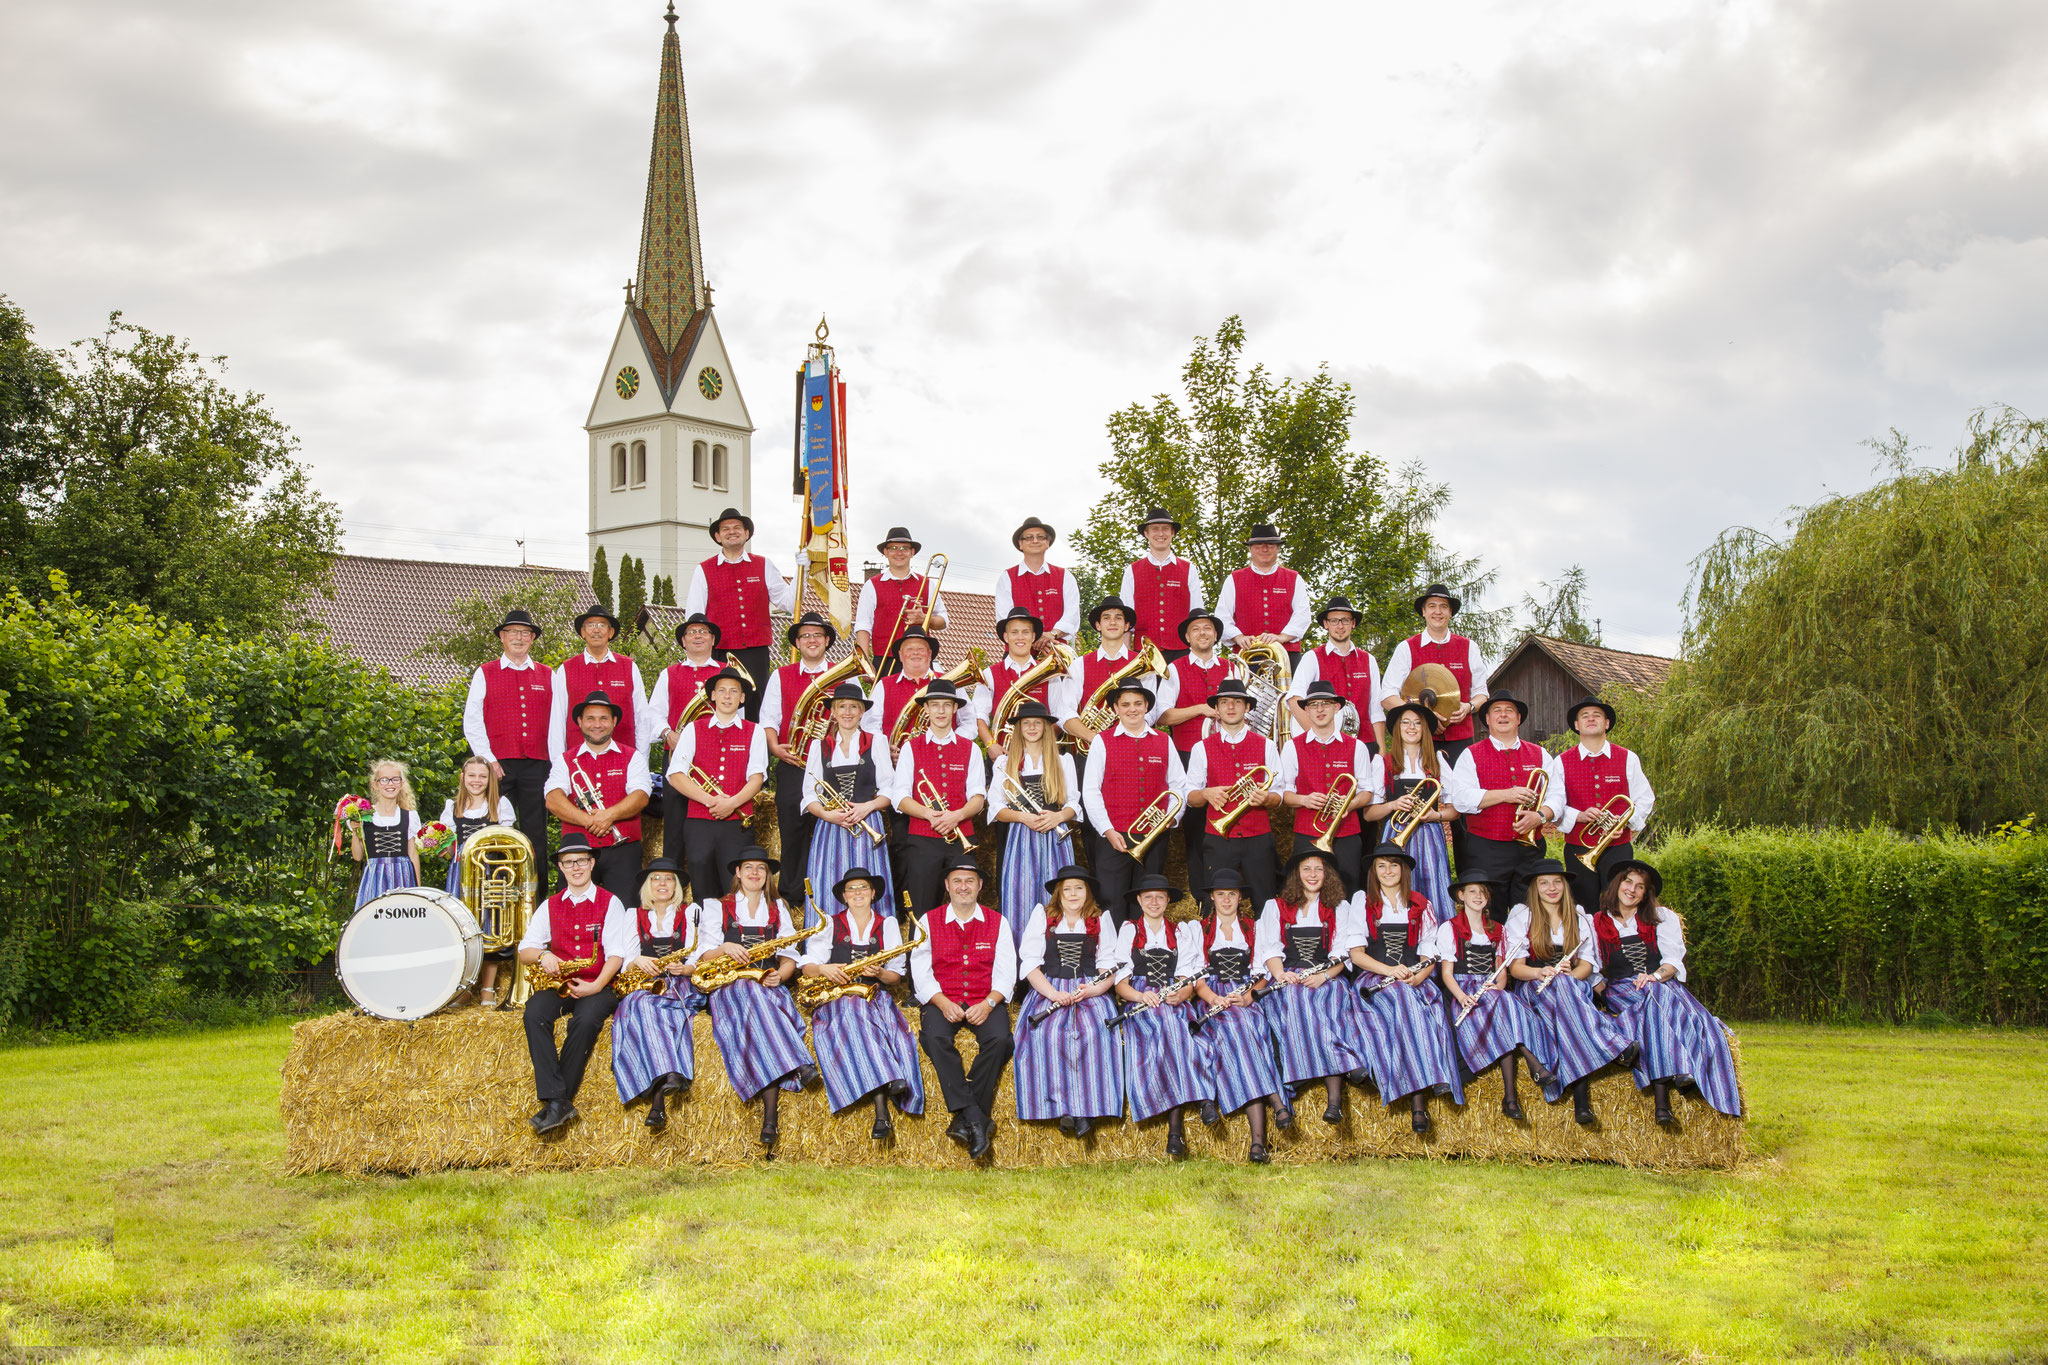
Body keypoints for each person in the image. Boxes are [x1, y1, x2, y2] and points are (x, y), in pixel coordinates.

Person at [689, 845, 818, 1150]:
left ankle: (770, 1121)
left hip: (767, 984)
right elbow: (702, 955)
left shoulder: (778, 908)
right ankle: (798, 1065)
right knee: (750, 992)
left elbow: (789, 956)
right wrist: (724, 948)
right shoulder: (716, 906)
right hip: (730, 986)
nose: (755, 873)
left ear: (768, 875)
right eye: (748, 867)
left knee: (759, 1012)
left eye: (761, 868)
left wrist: (781, 976)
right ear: (737, 872)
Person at [1593, 861, 1743, 1122]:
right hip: (1622, 989)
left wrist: (1654, 976)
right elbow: (1590, 965)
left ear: (1646, 893)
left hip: (1661, 984)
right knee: (1658, 1000)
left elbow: (1672, 962)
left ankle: (1662, 1104)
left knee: (1657, 999)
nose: (1632, 890)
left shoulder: (1661, 917)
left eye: (1640, 886)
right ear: (1617, 883)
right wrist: (1601, 987)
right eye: (1628, 882)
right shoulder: (1594, 921)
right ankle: (1680, 1070)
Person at [517, 833, 634, 1135]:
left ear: (592, 863)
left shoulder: (611, 902)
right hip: (562, 983)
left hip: (600, 983)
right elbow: (525, 950)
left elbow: (617, 955)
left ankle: (558, 1102)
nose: (576, 867)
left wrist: (596, 987)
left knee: (584, 1021)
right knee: (534, 1013)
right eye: (569, 862)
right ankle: (558, 1100)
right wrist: (543, 955)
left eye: (581, 861)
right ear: (561, 867)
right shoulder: (550, 905)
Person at [1503, 859, 1633, 1126]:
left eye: (1557, 882)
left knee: (1564, 996)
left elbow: (1586, 965)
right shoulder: (1522, 916)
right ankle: (1606, 1053)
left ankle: (1580, 1100)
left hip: (1571, 985)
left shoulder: (1579, 916)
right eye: (1544, 883)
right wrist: (1540, 972)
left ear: (1564, 886)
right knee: (1565, 997)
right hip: (1534, 985)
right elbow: (1516, 968)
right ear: (1535, 887)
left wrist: (1568, 976)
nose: (1551, 888)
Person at [1344, 842, 1462, 1133]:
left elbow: (1429, 953)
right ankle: (1426, 1089)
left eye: (1394, 865)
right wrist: (1390, 971)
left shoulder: (1421, 903)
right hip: (1376, 980)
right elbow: (1356, 955)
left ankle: (1420, 1095)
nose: (1388, 871)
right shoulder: (1362, 901)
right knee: (1404, 1000)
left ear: (1404, 870)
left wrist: (1419, 977)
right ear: (1374, 871)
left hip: (1413, 979)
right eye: (1381, 866)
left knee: (1418, 1001)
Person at [799, 866, 925, 1138]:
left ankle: (882, 1109)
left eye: (863, 888)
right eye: (852, 889)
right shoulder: (830, 923)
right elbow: (808, 965)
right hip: (838, 998)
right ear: (844, 896)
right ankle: (886, 1094)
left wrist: (879, 973)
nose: (858, 893)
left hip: (873, 996)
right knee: (854, 1010)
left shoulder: (887, 924)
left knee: (868, 1016)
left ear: (873, 893)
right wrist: (824, 969)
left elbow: (895, 976)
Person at [909, 856, 1018, 1160]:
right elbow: (920, 971)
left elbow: (1007, 972)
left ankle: (965, 1119)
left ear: (980, 885)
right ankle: (976, 1117)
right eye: (956, 881)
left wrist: (989, 1003)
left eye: (970, 881)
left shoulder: (998, 921)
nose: (963, 886)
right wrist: (942, 1001)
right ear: (947, 886)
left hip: (985, 997)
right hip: (943, 997)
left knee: (1001, 1041)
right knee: (934, 1038)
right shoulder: (928, 921)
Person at [1256, 848, 1371, 1124]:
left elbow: (1342, 952)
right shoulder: (1275, 906)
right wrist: (1281, 975)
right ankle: (1344, 1066)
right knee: (1297, 999)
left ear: (1327, 874)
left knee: (1327, 1000)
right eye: (1306, 869)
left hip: (1325, 975)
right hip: (1289, 976)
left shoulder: (1340, 907)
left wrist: (1324, 976)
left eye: (1319, 869)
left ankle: (1334, 1104)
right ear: (1297, 874)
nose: (1312, 874)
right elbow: (1270, 948)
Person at [1433, 873, 1557, 1120]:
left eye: (1483, 892)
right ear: (1461, 896)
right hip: (1464, 991)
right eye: (1472, 891)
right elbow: (1447, 974)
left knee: (1506, 1002)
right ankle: (1530, 1071)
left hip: (1490, 990)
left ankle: (1511, 1097)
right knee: (1503, 1014)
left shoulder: (1497, 929)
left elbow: (1500, 972)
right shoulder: (1450, 928)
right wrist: (1462, 997)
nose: (1478, 896)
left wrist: (1497, 988)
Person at [1011, 865, 1123, 1139]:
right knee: (1047, 1034)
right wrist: (1053, 994)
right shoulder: (1043, 916)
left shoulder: (1101, 919)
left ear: (1088, 892)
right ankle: (1062, 1108)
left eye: (1079, 888)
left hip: (1089, 988)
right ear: (1059, 894)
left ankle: (1086, 1110)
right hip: (1050, 988)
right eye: (1067, 889)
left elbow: (1109, 966)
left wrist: (1094, 990)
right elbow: (1030, 964)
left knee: (1094, 1032)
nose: (1073, 894)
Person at [1113, 875, 1218, 1159]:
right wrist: (1140, 996)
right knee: (1170, 1027)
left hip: (1172, 997)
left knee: (1180, 1028)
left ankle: (1177, 1130)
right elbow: (1120, 983)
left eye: (1160, 897)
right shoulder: (1129, 930)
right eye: (1148, 897)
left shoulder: (1180, 931)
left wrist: (1182, 994)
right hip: (1141, 999)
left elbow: (1187, 976)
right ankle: (1201, 1099)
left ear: (1168, 900)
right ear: (1139, 900)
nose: (1154, 902)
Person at [1189, 869, 1286, 1164]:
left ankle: (1259, 1141)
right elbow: (1198, 980)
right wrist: (1214, 999)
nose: (1227, 899)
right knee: (1236, 1028)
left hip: (1245, 995)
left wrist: (1248, 997)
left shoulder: (1254, 928)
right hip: (1214, 997)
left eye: (1232, 894)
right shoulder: (1199, 929)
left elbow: (1263, 973)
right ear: (1212, 897)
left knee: (1246, 1025)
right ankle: (1275, 1106)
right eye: (1221, 894)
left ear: (1240, 896)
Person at [1059, 595, 1159, 870]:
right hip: (1089, 751)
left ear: (1127, 625)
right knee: (1092, 823)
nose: (1112, 622)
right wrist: (1096, 738)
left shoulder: (1145, 663)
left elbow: (1151, 713)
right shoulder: (1080, 664)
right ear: (1098, 625)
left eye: (1118, 618)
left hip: (1134, 751)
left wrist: (1121, 738)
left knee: (1137, 812)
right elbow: (1065, 713)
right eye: (1106, 618)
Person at [1080, 678, 1188, 925]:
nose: (1132, 709)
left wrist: (1171, 819)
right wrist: (1107, 830)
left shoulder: (1164, 740)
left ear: (1146, 706)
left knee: (1148, 900)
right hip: (1114, 835)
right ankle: (1113, 947)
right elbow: (1091, 790)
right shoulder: (1102, 741)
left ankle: (1143, 945)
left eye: (1138, 703)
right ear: (1115, 708)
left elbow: (1179, 785)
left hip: (1154, 836)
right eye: (1125, 704)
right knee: (1111, 900)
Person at [1445, 690, 1563, 911]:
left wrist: (1539, 817)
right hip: (1486, 849)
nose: (1503, 715)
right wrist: (1507, 794)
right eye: (1496, 710)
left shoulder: (1540, 754)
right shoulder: (1470, 754)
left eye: (1509, 710)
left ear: (1518, 718)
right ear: (1487, 719)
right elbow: (1460, 799)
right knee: (1490, 914)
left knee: (1530, 913)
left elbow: (1557, 796)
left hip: (1530, 850)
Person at [665, 669, 767, 916]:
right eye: (722, 690)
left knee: (736, 887)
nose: (727, 696)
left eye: (734, 691)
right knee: (702, 885)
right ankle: (705, 936)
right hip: (699, 822)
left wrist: (732, 803)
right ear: (712, 695)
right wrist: (711, 801)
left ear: (742, 698)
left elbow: (757, 778)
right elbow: (675, 775)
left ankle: (736, 930)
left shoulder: (755, 731)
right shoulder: (693, 729)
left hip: (737, 824)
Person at [1184, 675, 1287, 915]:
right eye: (1224, 702)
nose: (1230, 707)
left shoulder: (1266, 745)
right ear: (1217, 709)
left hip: (1258, 837)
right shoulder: (1201, 748)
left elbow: (1279, 795)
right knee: (1215, 906)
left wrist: (1267, 798)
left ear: (1247, 707)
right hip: (1219, 839)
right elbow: (1190, 796)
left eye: (1237, 702)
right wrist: (1206, 793)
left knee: (1265, 903)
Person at [683, 507, 798, 721]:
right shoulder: (703, 569)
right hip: (719, 652)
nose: (732, 532)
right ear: (718, 536)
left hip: (756, 652)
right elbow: (694, 616)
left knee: (756, 707)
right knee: (719, 708)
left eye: (737, 527)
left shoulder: (764, 565)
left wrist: (802, 572)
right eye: (725, 529)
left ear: (746, 534)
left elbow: (788, 603)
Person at [609, 858, 699, 1130]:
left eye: (669, 878)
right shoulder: (633, 915)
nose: (662, 883)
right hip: (646, 983)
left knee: (647, 1008)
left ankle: (658, 1101)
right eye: (656, 878)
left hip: (679, 984)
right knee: (638, 1003)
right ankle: (670, 1075)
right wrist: (638, 961)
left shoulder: (691, 911)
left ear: (676, 885)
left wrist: (685, 968)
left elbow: (699, 954)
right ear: (647, 885)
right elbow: (626, 960)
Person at [887, 678, 987, 916]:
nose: (940, 711)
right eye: (935, 705)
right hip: (922, 840)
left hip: (961, 838)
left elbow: (978, 796)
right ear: (926, 709)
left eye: (946, 705)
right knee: (922, 907)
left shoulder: (971, 748)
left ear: (955, 708)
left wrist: (957, 816)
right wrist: (929, 814)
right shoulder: (911, 747)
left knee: (965, 906)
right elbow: (899, 796)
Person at [544, 689, 652, 908]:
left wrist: (608, 815)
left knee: (626, 911)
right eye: (590, 718)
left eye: (603, 718)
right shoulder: (565, 760)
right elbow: (553, 799)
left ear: (614, 722)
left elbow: (641, 796)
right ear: (580, 722)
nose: (597, 724)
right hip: (577, 853)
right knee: (571, 911)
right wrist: (589, 821)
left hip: (623, 851)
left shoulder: (633, 757)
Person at [802, 681, 898, 929]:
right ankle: (828, 937)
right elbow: (809, 795)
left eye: (853, 707)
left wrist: (867, 807)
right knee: (829, 879)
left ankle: (875, 937)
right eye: (841, 706)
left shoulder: (877, 741)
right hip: (831, 827)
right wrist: (827, 815)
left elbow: (889, 790)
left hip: (867, 823)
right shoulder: (818, 746)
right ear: (833, 712)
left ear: (862, 712)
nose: (847, 712)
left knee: (868, 877)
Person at [462, 608, 555, 860]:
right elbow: (472, 720)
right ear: (502, 636)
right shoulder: (485, 672)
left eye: (525, 632)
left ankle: (535, 885)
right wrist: (488, 760)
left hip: (537, 765)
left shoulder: (548, 674)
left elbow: (557, 722)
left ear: (532, 638)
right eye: (513, 632)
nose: (519, 637)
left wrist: (556, 762)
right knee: (493, 830)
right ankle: (494, 882)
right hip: (498, 765)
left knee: (536, 834)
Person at [1154, 608, 1233, 901]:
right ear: (1187, 637)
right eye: (1196, 629)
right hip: (1187, 754)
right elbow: (1162, 715)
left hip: (1227, 755)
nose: (1203, 633)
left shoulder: (1231, 667)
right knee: (1196, 830)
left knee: (1231, 824)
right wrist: (1200, 709)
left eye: (1208, 628)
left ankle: (1230, 894)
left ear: (1216, 635)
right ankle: (1202, 900)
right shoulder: (1174, 669)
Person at [987, 701, 1081, 941]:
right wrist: (1023, 817)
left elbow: (1074, 802)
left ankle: (1056, 953)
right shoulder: (1004, 763)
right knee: (1021, 894)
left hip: (1055, 834)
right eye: (1026, 723)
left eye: (1037, 723)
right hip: (1021, 835)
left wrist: (1058, 816)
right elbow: (995, 807)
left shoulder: (1063, 761)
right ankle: (1020, 956)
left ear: (1046, 727)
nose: (1031, 728)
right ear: (1018, 728)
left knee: (1056, 895)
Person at [759, 611, 838, 895]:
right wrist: (774, 747)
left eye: (817, 635)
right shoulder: (780, 676)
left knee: (829, 832)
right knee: (792, 830)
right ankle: (792, 896)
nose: (811, 640)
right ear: (797, 643)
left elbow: (859, 719)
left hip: (832, 766)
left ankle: (828, 892)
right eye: (805, 636)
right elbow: (768, 719)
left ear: (827, 640)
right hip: (793, 762)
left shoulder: (845, 675)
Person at [1556, 697, 1657, 914]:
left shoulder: (1628, 758)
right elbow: (1554, 805)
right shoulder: (1561, 761)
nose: (1591, 719)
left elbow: (1645, 798)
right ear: (1577, 725)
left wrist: (1624, 822)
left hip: (1617, 847)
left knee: (1620, 906)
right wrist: (1579, 815)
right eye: (1585, 716)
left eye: (1597, 715)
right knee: (1582, 908)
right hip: (1578, 847)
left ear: (1607, 723)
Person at [1279, 679, 1378, 897]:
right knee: (1305, 893)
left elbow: (1367, 791)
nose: (1320, 709)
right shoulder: (1292, 747)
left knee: (1348, 890)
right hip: (1307, 831)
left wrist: (1349, 804)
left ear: (1337, 707)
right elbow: (1283, 793)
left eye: (1325, 703)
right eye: (1314, 705)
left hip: (1347, 833)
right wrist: (1304, 800)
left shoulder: (1357, 746)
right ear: (1306, 710)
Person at [1380, 583, 1493, 766]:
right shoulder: (1406, 648)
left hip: (1460, 741)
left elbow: (1482, 693)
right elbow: (1387, 696)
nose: (1438, 611)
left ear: (1450, 612)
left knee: (1461, 785)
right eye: (1432, 606)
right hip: (1417, 741)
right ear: (1423, 611)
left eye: (1443, 606)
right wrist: (1423, 718)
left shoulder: (1469, 647)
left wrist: (1469, 707)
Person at [1363, 701, 1455, 916]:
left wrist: (1436, 815)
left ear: (1425, 729)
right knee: (1398, 883)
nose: (1411, 727)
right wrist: (1393, 805)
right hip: (1396, 833)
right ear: (1398, 728)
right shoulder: (1383, 763)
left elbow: (1455, 810)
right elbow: (1369, 814)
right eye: (1406, 722)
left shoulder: (1437, 761)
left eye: (1417, 723)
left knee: (1431, 881)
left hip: (1429, 834)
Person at [440, 755, 516, 1005]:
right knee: (461, 927)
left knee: (490, 926)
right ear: (462, 777)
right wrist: (435, 843)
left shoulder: (500, 805)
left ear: (490, 779)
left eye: (482, 776)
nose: (476, 780)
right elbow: (447, 852)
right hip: (461, 874)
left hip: (491, 872)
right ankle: (464, 987)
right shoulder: (452, 807)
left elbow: (509, 844)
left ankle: (488, 988)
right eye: (471, 775)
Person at [549, 603, 650, 757]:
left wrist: (641, 760)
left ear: (610, 632)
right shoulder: (566, 669)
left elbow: (642, 718)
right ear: (583, 632)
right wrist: (559, 763)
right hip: (577, 757)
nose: (596, 630)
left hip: (623, 757)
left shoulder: (630, 667)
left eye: (602, 625)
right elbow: (557, 721)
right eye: (591, 625)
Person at [1285, 597, 1386, 745]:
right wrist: (1319, 737)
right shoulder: (1312, 657)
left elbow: (1376, 709)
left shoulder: (1369, 660)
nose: (1340, 626)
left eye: (1345, 620)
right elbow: (1294, 699)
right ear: (1326, 624)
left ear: (1353, 623)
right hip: (1326, 746)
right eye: (1334, 621)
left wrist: (1381, 748)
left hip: (1366, 744)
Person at [1215, 522, 1309, 671]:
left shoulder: (1294, 578)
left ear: (1277, 548)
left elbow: (1302, 615)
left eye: (1270, 545)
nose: (1265, 549)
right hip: (1246, 656)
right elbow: (1222, 617)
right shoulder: (1233, 579)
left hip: (1286, 656)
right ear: (1250, 549)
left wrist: (1282, 637)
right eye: (1259, 545)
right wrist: (1239, 637)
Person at [854, 526, 947, 668]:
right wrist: (865, 664)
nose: (899, 553)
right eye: (893, 548)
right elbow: (863, 626)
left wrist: (925, 619)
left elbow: (943, 621)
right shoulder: (871, 585)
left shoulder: (927, 584)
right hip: (885, 661)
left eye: (904, 548)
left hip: (920, 660)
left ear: (912, 552)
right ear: (885, 552)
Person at [1120, 507, 1204, 659]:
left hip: (1182, 651)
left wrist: (1199, 654)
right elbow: (1126, 620)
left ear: (1172, 533)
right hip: (1143, 652)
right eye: (1155, 529)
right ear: (1146, 533)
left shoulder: (1189, 569)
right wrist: (1126, 656)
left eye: (1165, 529)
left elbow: (1197, 615)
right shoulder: (1132, 571)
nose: (1160, 534)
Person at [977, 607, 1056, 752]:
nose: (1020, 637)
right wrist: (990, 744)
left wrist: (1042, 745)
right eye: (1014, 632)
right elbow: (979, 716)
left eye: (1025, 632)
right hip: (1001, 753)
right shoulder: (989, 674)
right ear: (1006, 637)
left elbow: (1060, 716)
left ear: (1033, 637)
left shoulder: (1049, 673)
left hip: (1041, 754)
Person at [648, 613, 727, 752]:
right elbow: (654, 713)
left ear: (713, 639)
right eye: (692, 632)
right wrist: (668, 733)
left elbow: (738, 714)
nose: (698, 636)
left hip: (719, 750)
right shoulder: (668, 674)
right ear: (684, 641)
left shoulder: (726, 672)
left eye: (703, 631)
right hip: (677, 750)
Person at [349, 758, 421, 908]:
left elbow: (413, 854)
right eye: (384, 780)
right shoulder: (365, 815)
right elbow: (357, 856)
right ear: (375, 785)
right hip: (375, 876)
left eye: (395, 779)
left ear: (401, 783)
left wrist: (419, 891)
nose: (390, 784)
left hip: (403, 875)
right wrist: (355, 830)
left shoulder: (409, 816)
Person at [994, 516, 1078, 643]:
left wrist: (1052, 634)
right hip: (1020, 649)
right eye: (1029, 537)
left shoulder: (1065, 576)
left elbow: (1072, 615)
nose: (1035, 540)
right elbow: (1005, 619)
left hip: (1057, 648)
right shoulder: (1007, 577)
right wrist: (1032, 638)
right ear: (1020, 544)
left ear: (1047, 543)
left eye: (1040, 537)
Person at [865, 625, 942, 760]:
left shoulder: (948, 682)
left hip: (941, 760)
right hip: (896, 763)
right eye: (909, 649)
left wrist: (952, 745)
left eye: (921, 649)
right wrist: (883, 750)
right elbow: (869, 725)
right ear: (901, 655)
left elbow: (968, 721)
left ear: (930, 654)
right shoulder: (883, 685)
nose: (915, 653)